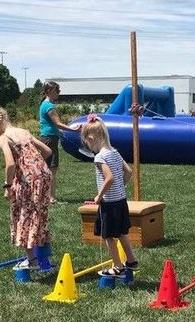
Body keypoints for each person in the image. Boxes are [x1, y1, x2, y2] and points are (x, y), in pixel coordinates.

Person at [0, 103, 52, 270]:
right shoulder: (24, 131)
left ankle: (32, 261)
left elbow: (10, 164)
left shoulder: (4, 138)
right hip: (43, 175)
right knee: (39, 214)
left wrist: (7, 185)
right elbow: (48, 151)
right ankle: (44, 259)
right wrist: (34, 164)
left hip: (27, 180)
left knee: (24, 215)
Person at [80, 114, 138, 278]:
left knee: (108, 236)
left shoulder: (100, 157)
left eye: (88, 143)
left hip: (109, 204)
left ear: (92, 137)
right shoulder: (114, 152)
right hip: (121, 200)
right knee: (121, 233)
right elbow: (128, 171)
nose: (89, 147)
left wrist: (99, 196)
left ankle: (118, 267)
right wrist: (121, 186)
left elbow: (109, 178)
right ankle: (132, 261)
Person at [39, 81, 81, 204]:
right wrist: (73, 129)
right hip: (50, 139)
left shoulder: (43, 104)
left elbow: (51, 124)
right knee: (52, 168)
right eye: (57, 90)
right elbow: (57, 123)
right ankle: (51, 197)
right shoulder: (49, 106)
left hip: (47, 137)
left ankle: (45, 195)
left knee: (47, 167)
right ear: (50, 91)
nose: (59, 93)